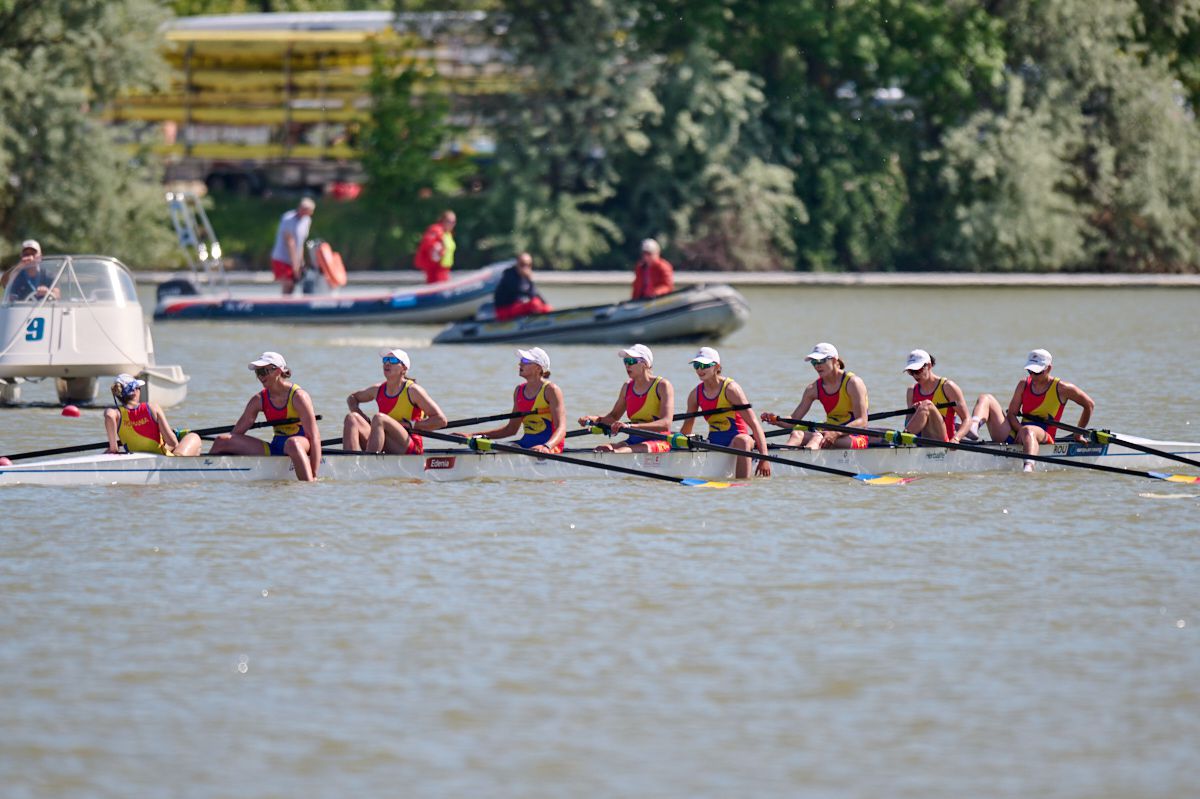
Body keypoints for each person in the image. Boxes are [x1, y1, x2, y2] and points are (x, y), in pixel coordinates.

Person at [955, 348, 1095, 471]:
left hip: (1044, 435)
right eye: (1030, 371)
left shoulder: (1063, 388)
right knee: (986, 398)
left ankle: (1028, 468)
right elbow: (1012, 414)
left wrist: (1078, 433)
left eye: (1037, 372)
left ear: (1049, 368)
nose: (1032, 376)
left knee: (1028, 430)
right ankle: (973, 427)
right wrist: (1019, 428)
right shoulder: (1023, 384)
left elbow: (1089, 404)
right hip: (1018, 433)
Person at [209, 352, 322, 481]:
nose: (260, 376)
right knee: (221, 441)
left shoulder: (299, 397)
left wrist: (314, 471)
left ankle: (308, 482)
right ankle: (208, 477)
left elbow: (314, 436)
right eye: (258, 372)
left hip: (300, 444)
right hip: (276, 446)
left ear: (278, 371)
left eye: (264, 371)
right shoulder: (258, 400)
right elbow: (235, 435)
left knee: (292, 443)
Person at [679, 347, 771, 479]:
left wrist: (764, 459)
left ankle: (742, 485)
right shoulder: (695, 395)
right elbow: (687, 428)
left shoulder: (731, 389)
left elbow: (754, 424)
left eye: (704, 365)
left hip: (738, 441)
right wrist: (675, 443)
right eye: (696, 365)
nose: (699, 370)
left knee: (743, 440)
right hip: (715, 442)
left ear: (717, 367)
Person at [761, 342, 870, 450]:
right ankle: (782, 457)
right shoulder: (813, 389)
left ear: (834, 360)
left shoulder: (853, 383)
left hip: (856, 436)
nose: (817, 366)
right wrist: (776, 420)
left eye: (821, 361)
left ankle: (805, 460)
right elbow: (793, 420)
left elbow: (862, 421)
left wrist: (836, 433)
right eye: (814, 362)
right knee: (797, 433)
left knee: (817, 437)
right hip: (828, 433)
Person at [341, 348, 448, 454]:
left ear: (404, 368)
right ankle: (350, 460)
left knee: (379, 418)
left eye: (393, 361)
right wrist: (360, 415)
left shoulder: (413, 391)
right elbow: (352, 398)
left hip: (411, 445)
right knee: (351, 418)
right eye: (385, 360)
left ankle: (370, 462)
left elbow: (441, 420)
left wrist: (411, 424)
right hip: (385, 442)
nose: (387, 363)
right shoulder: (378, 390)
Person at [577, 344, 674, 453]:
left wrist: (629, 426)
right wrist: (593, 419)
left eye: (631, 362)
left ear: (645, 364)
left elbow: (666, 424)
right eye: (625, 362)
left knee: (620, 451)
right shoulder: (627, 387)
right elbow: (613, 417)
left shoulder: (662, 385)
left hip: (659, 440)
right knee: (602, 449)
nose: (627, 366)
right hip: (634, 439)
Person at [467, 347, 566, 454]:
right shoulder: (519, 390)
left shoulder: (551, 390)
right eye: (521, 361)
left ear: (538, 368)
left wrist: (547, 446)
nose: (520, 364)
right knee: (484, 449)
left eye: (525, 361)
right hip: (526, 444)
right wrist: (473, 435)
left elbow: (561, 428)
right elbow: (511, 429)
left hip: (550, 448)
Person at [103, 374, 202, 456]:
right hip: (159, 457)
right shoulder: (152, 407)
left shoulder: (116, 414)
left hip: (134, 457)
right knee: (194, 437)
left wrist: (113, 448)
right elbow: (172, 442)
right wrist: (173, 439)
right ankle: (182, 465)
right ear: (135, 391)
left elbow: (109, 415)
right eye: (139, 388)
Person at [902, 349, 968, 441]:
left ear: (928, 366)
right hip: (920, 439)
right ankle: (902, 440)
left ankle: (902, 439)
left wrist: (956, 439)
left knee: (927, 405)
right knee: (875, 433)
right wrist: (914, 412)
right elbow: (907, 423)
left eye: (917, 371)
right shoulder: (911, 391)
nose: (915, 376)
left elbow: (967, 420)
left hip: (943, 441)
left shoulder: (948, 387)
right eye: (911, 372)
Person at [270, 197, 315, 295]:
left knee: (293, 286)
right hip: (281, 258)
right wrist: (295, 266)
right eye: (302, 208)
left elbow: (301, 242)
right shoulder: (288, 218)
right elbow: (290, 243)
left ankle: (288, 307)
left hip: (294, 259)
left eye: (307, 210)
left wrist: (301, 262)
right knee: (288, 284)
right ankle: (282, 307)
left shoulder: (307, 220)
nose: (303, 212)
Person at [493, 252, 553, 321]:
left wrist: (546, 305)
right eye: (522, 264)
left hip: (518, 307)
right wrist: (526, 277)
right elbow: (517, 290)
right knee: (534, 304)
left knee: (546, 307)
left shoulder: (526, 278)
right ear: (517, 264)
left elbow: (534, 295)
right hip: (504, 310)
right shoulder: (509, 275)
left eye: (529, 265)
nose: (525, 267)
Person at [414, 210, 456, 284]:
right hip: (435, 270)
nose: (452, 224)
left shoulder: (447, 233)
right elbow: (429, 245)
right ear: (443, 220)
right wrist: (437, 250)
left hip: (445, 270)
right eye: (449, 221)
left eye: (453, 222)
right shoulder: (436, 230)